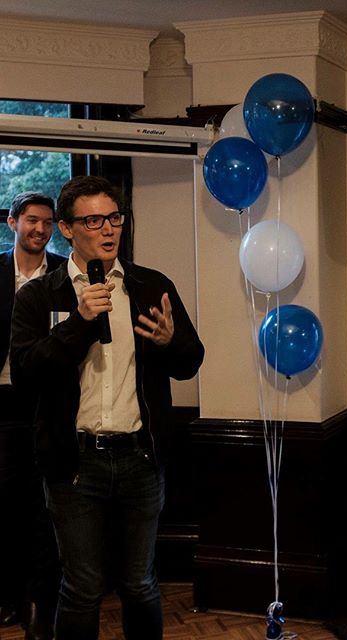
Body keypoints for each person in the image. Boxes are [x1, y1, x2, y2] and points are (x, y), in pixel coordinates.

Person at [10, 175, 205, 640]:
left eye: (114, 218)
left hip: (140, 458)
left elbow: (191, 361)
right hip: (75, 463)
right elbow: (25, 372)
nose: (108, 229)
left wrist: (170, 341)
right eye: (93, 220)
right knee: (82, 586)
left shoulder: (149, 284)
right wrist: (79, 322)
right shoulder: (40, 295)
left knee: (140, 583)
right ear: (67, 229)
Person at [0, 192, 64, 640]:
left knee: (47, 510)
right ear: (13, 222)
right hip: (0, 405)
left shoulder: (65, 273)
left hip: (48, 405)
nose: (39, 229)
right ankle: (8, 597)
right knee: (5, 507)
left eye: (46, 222)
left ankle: (44, 602)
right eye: (31, 221)